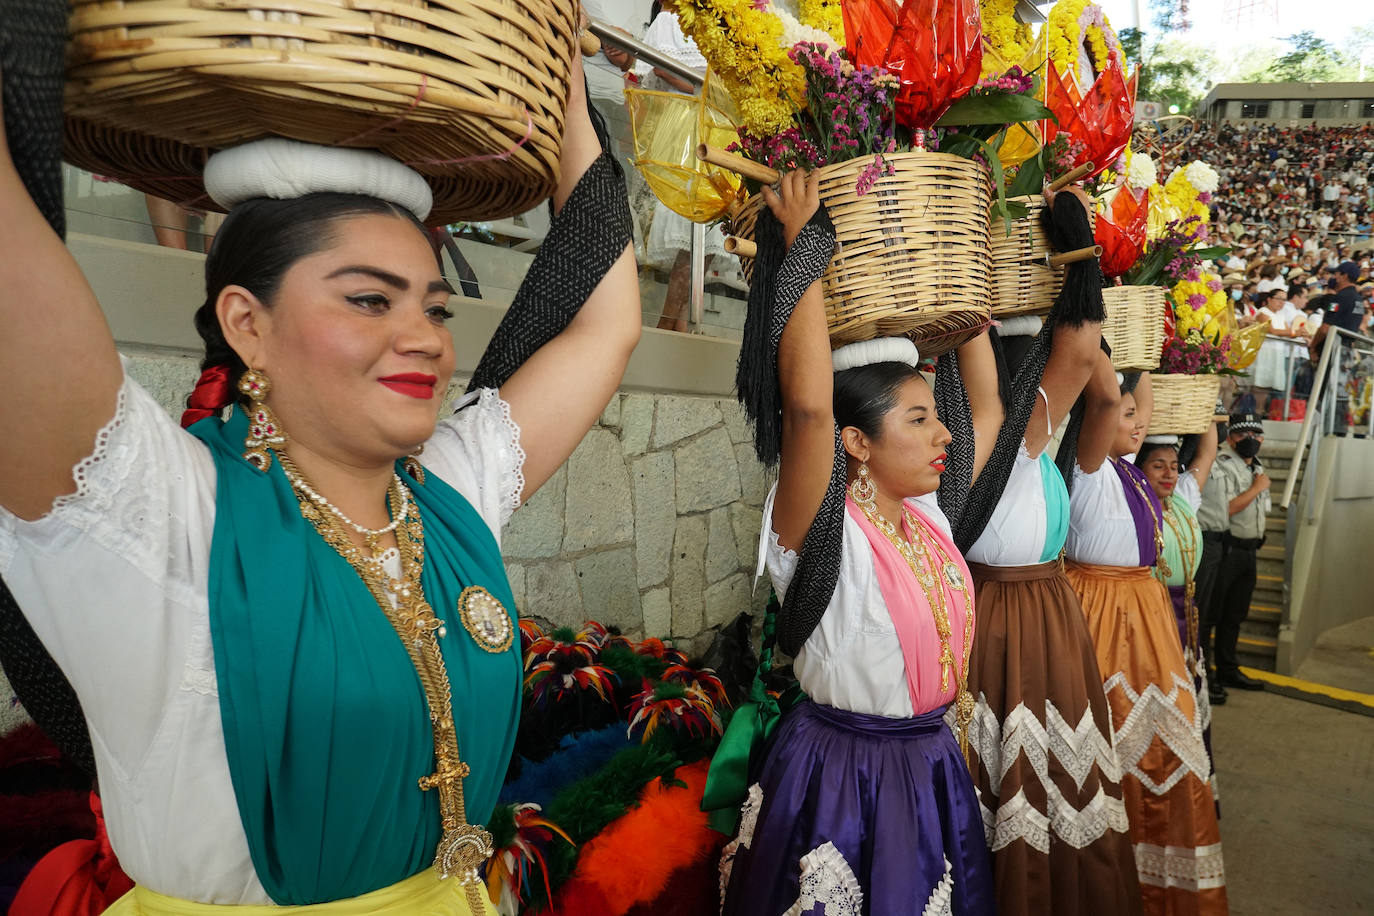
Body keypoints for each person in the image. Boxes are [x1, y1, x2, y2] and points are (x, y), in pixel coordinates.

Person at [0, 44, 641, 914]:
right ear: (246, 324)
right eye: (370, 300)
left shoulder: (445, 491)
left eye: (434, 305)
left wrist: (562, 90)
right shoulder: (163, 514)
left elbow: (605, 327)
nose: (426, 337)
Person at [718, 170, 996, 915]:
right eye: (916, 420)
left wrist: (973, 314)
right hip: (843, 776)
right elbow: (807, 410)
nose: (942, 435)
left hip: (933, 765)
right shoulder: (820, 524)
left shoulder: (931, 520)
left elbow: (987, 416)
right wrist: (805, 250)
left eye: (935, 417)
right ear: (857, 443)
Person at [959, 192, 1141, 915]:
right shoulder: (1012, 434)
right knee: (1016, 789)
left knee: (1039, 784)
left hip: (1034, 611)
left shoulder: (1018, 437)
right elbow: (1082, 342)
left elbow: (1094, 370)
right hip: (1012, 616)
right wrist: (1081, 252)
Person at [1064, 368, 1227, 915]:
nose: (1137, 425)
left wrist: (1150, 358)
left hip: (1147, 613)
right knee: (1108, 743)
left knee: (1165, 745)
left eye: (1139, 416)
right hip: (1101, 614)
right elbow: (1109, 399)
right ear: (1096, 420)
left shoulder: (1131, 472)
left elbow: (1137, 404)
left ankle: (1154, 878)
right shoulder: (1088, 470)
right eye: (1125, 416)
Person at [1136, 428, 1221, 804]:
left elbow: (1207, 451)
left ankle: (1189, 790)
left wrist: (1206, 389)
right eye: (1158, 465)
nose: (1169, 474)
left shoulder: (1184, 500)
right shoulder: (1133, 504)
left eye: (1173, 466)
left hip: (1187, 615)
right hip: (1151, 616)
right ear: (1139, 469)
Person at [1198, 414, 1271, 692]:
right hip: (1227, 548)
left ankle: (1228, 669)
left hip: (1249, 551)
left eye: (1256, 434)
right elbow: (1224, 509)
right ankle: (1208, 676)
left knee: (1235, 615)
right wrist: (1256, 489)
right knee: (1211, 614)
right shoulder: (1224, 464)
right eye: (1243, 434)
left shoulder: (1257, 467)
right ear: (1230, 438)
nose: (1251, 440)